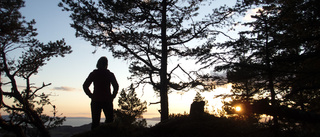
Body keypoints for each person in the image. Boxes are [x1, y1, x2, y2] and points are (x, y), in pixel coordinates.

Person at [83, 56, 119, 130]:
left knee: (95, 122)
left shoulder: (94, 74)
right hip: (107, 100)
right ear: (106, 64)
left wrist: (91, 95)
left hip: (96, 100)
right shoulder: (109, 74)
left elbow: (85, 86)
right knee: (109, 121)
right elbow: (116, 86)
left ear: (98, 64)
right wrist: (112, 96)